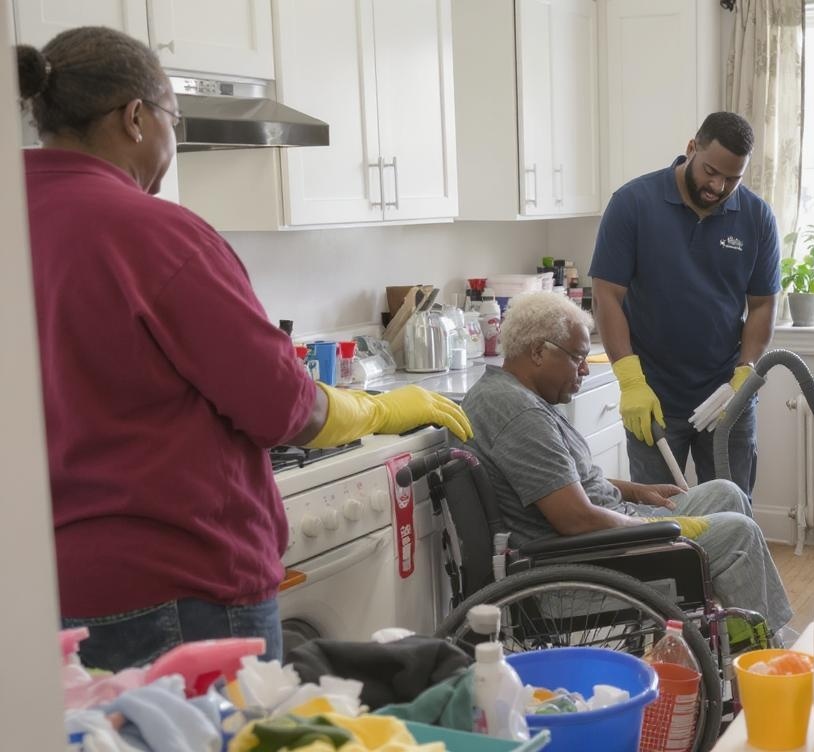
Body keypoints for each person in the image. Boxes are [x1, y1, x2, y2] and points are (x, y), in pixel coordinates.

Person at [18, 27, 473, 671]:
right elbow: (289, 411)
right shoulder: (155, 235)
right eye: (175, 119)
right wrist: (380, 411)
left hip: (40, 593)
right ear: (137, 117)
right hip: (177, 585)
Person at [459, 292, 795, 637]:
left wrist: (636, 491)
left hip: (602, 539)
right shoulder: (519, 416)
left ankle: (744, 637)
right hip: (580, 568)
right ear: (537, 352)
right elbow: (576, 518)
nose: (585, 369)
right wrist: (659, 528)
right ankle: (768, 653)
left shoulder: (511, 395)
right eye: (578, 357)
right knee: (739, 533)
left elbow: (563, 482)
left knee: (728, 493)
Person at [590, 111, 780, 497]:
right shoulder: (633, 204)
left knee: (732, 509)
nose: (718, 185)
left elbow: (761, 304)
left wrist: (746, 371)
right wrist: (630, 381)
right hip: (653, 395)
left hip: (726, 395)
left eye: (732, 178)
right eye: (710, 171)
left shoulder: (757, 218)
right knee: (659, 517)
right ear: (691, 148)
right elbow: (607, 294)